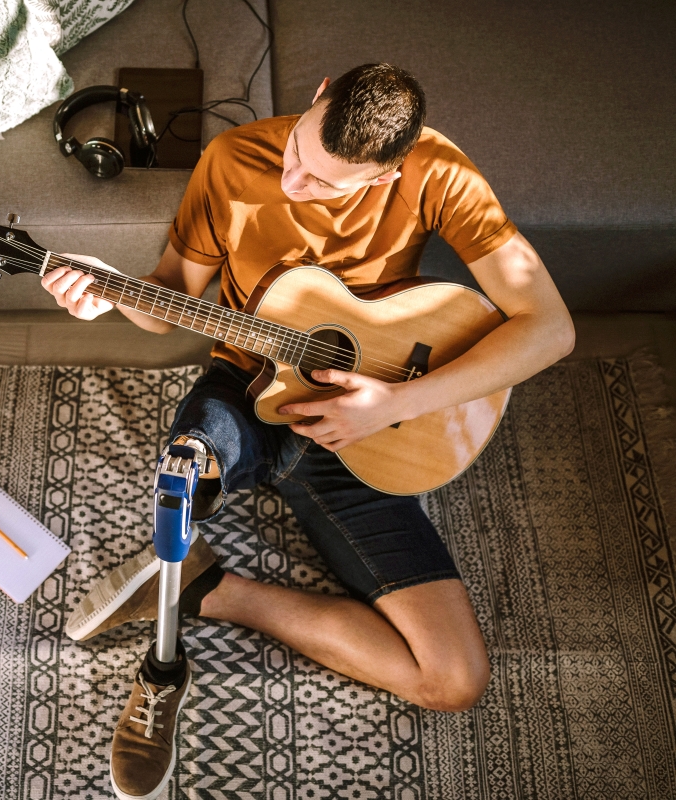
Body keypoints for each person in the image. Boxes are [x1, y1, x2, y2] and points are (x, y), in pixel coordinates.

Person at [40, 63, 575, 800]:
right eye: (298, 151)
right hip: (247, 386)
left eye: (326, 182)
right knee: (179, 482)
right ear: (318, 94)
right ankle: (165, 663)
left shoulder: (440, 174)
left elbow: (550, 330)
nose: (295, 183)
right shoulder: (232, 161)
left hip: (371, 432)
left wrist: (389, 405)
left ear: (390, 174)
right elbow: (168, 301)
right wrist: (107, 288)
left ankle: (214, 590)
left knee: (453, 680)